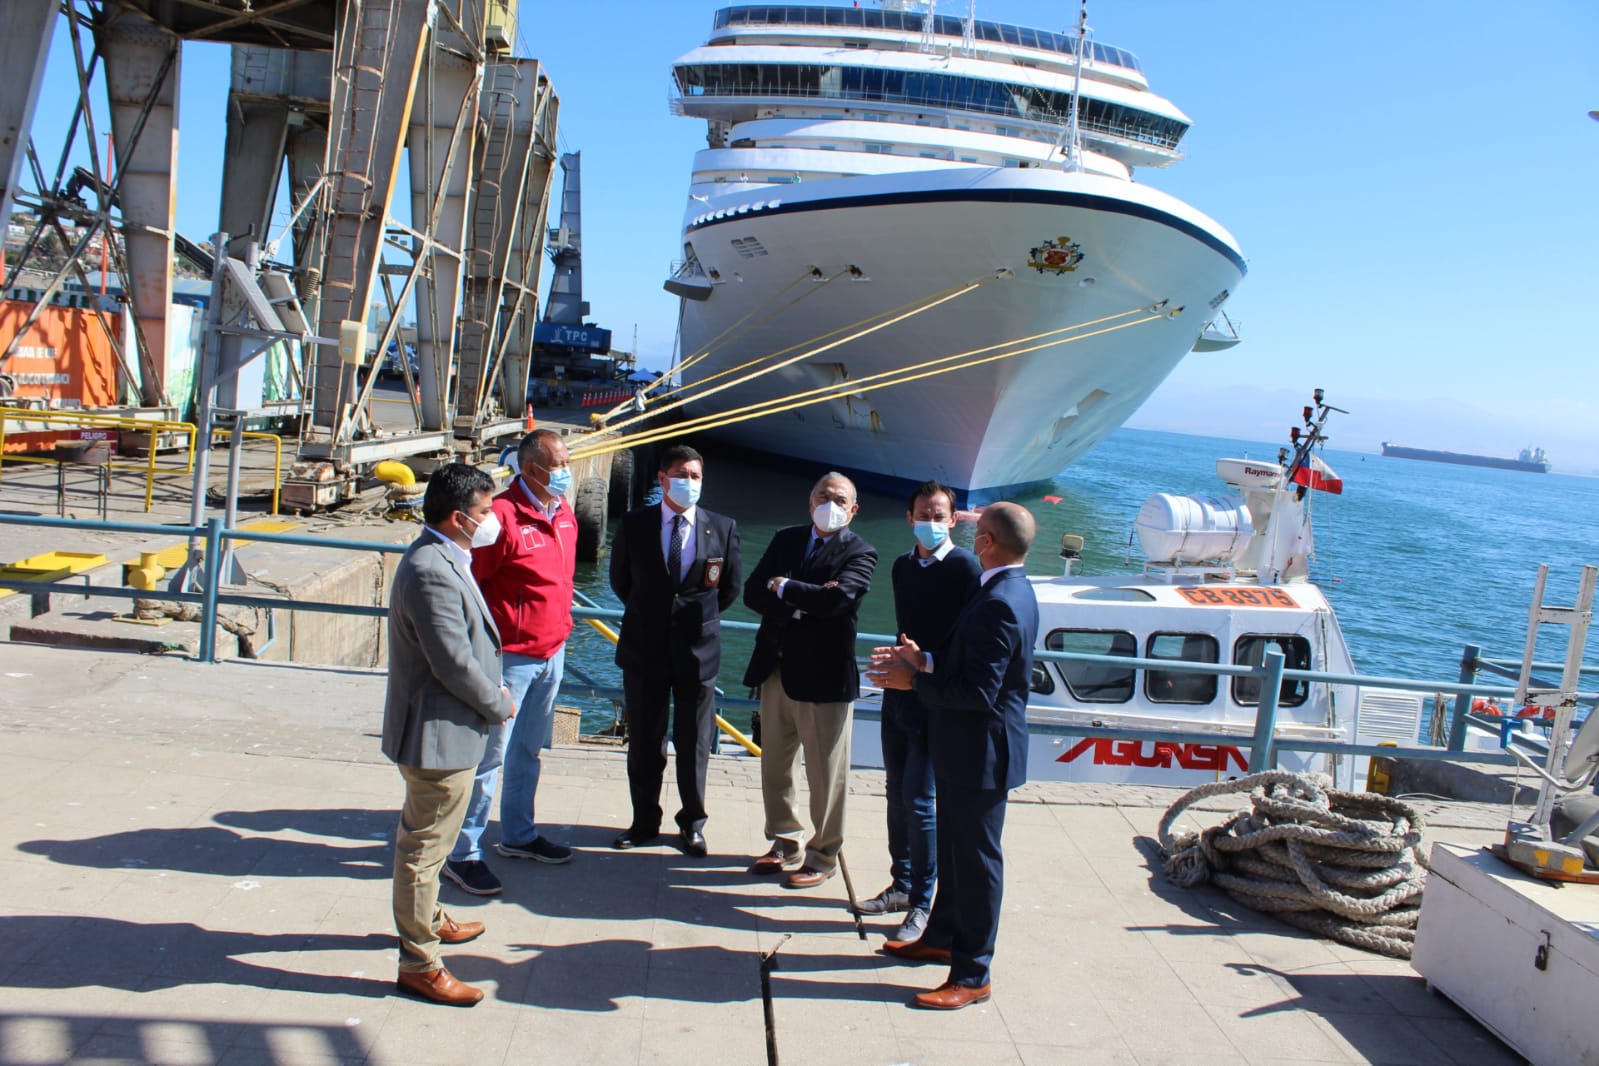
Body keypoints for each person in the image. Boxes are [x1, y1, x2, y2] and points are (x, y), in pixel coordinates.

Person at [866, 501, 1039, 1011]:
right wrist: (927, 659)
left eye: (976, 531)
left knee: (978, 861)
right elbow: (976, 664)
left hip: (982, 753)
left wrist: (913, 680)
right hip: (967, 749)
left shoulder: (1001, 600)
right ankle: (942, 934)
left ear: (987, 542)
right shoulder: (1003, 588)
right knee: (957, 852)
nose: (968, 537)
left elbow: (979, 692)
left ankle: (973, 972)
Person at [383, 462, 517, 1007]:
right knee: (423, 848)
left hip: (450, 731)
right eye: (486, 513)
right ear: (460, 518)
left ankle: (431, 918)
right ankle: (419, 962)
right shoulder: (432, 569)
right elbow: (452, 661)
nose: (493, 521)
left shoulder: (447, 557)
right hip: (438, 736)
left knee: (432, 844)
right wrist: (499, 702)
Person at [442, 430, 578, 898]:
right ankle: (463, 853)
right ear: (532, 467)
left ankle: (518, 835)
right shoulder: (499, 517)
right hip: (510, 658)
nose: (566, 468)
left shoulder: (564, 515)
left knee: (529, 750)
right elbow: (471, 584)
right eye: (558, 462)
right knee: (489, 756)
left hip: (552, 651)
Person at [856, 481, 981, 943]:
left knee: (921, 802)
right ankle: (902, 885)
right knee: (894, 792)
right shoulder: (902, 567)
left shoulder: (966, 569)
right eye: (922, 513)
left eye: (939, 514)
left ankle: (924, 903)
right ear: (909, 518)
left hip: (935, 696)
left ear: (953, 520)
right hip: (898, 695)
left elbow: (967, 645)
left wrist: (924, 668)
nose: (930, 521)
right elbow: (908, 627)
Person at [742, 472, 878, 888]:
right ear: (809, 500)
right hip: (775, 670)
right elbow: (752, 593)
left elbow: (838, 601)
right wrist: (803, 603)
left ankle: (823, 855)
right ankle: (785, 840)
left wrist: (784, 588)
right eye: (823, 495)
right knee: (775, 764)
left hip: (824, 679)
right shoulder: (786, 538)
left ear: (853, 510)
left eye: (840, 499)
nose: (830, 503)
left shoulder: (861, 552)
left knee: (826, 775)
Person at [608, 443, 742, 855]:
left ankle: (693, 823)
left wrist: (690, 619)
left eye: (697, 476)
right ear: (662, 478)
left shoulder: (722, 527)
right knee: (645, 741)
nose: (690, 483)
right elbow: (621, 582)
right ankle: (644, 821)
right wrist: (655, 613)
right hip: (644, 650)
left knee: (694, 742)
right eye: (682, 475)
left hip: (698, 653)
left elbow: (729, 589)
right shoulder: (634, 524)